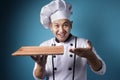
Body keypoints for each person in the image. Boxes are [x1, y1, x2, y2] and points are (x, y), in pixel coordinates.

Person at [31, 0, 106, 80]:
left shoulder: (83, 44)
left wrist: (91, 56)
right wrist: (40, 66)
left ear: (71, 25)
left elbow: (101, 70)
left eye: (65, 25)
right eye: (56, 26)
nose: (61, 30)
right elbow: (38, 77)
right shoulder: (44, 46)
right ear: (51, 27)